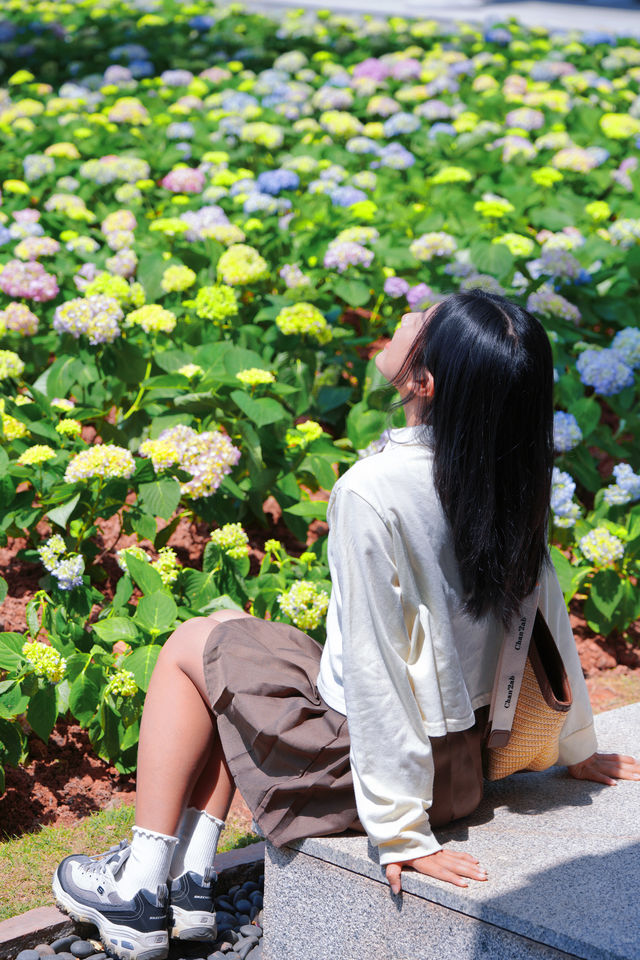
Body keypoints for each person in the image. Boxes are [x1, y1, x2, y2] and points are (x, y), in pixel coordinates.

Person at [53, 291, 640, 960]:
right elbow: (546, 617)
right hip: (461, 769)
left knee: (191, 644)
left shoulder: (374, 489)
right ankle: (186, 886)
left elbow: (373, 663)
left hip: (355, 770)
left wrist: (400, 833)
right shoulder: (511, 473)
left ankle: (135, 889)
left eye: (424, 320)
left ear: (425, 380)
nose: (409, 313)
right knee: (233, 638)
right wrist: (577, 743)